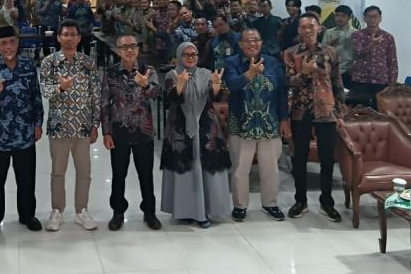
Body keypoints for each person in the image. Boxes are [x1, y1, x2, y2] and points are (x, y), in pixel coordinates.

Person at [0, 26, 44, 236]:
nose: (8, 47)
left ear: (18, 43)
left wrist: (38, 123)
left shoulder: (28, 66)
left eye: (12, 42)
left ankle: (27, 215)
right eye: (3, 43)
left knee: (26, 180)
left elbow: (36, 96)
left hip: (25, 134)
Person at [160, 42, 231, 228]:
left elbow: (215, 97)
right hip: (180, 130)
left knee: (206, 168)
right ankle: (185, 211)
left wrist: (217, 86)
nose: (191, 58)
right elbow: (172, 99)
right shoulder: (172, 75)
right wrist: (180, 84)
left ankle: (205, 211)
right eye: (186, 54)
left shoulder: (206, 74)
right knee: (185, 169)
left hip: (206, 128)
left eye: (194, 54)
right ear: (179, 56)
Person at [39, 19, 100, 232]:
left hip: (82, 124)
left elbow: (95, 94)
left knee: (84, 171)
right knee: (58, 171)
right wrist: (61, 87)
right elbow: (45, 90)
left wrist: (95, 124)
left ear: (79, 38)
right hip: (59, 125)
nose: (69, 38)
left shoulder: (88, 63)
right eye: (65, 34)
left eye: (73, 34)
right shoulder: (49, 62)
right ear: (58, 37)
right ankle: (57, 210)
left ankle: (81, 210)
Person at [283, 13, 345, 222]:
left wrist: (340, 113)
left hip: (326, 110)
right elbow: (289, 82)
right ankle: (300, 200)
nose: (308, 30)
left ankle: (327, 202)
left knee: (327, 159)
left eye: (311, 26)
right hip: (300, 110)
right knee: (299, 157)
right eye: (303, 27)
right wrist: (304, 73)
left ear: (319, 28)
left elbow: (337, 83)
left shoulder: (330, 52)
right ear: (298, 31)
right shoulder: (290, 53)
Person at [224, 29, 290, 222]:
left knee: (271, 167)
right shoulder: (232, 62)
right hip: (241, 122)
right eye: (247, 40)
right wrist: (249, 74)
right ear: (240, 44)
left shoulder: (272, 62)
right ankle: (240, 206)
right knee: (240, 168)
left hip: (269, 122)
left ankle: (270, 203)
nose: (252, 44)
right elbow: (232, 84)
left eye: (256, 40)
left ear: (261, 42)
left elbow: (281, 93)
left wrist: (284, 119)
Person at [100, 33, 161, 231]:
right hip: (119, 132)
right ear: (118, 51)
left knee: (146, 175)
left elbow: (156, 94)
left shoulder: (148, 70)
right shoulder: (111, 72)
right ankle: (118, 212)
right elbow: (104, 103)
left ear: (138, 49)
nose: (129, 50)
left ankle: (149, 212)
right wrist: (106, 132)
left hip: (144, 132)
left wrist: (145, 85)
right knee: (119, 175)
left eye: (133, 46)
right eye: (125, 47)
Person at [350, 5, 398, 108]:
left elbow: (392, 61)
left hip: (381, 80)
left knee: (380, 110)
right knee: (359, 110)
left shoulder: (388, 37)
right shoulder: (357, 35)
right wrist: (372, 44)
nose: (372, 19)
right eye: (369, 16)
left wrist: (392, 84)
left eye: (375, 16)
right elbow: (356, 55)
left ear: (380, 18)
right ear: (364, 19)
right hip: (361, 79)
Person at [325, 5, 356, 90]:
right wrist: (330, 44)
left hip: (348, 72)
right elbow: (321, 51)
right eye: (337, 15)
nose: (340, 18)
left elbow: (358, 54)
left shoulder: (355, 33)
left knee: (348, 96)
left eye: (343, 16)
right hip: (331, 71)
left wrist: (353, 68)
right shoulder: (329, 32)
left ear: (349, 18)